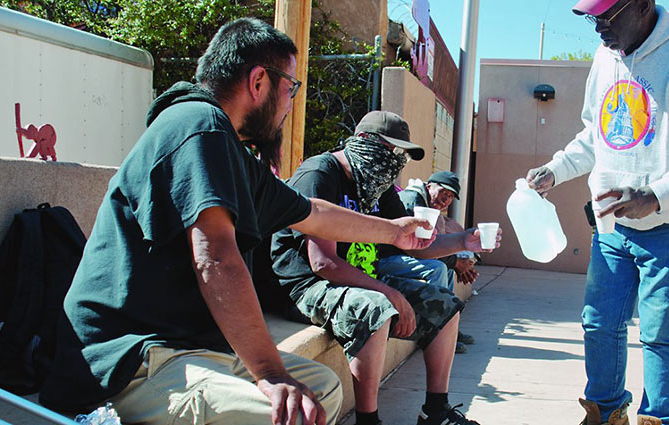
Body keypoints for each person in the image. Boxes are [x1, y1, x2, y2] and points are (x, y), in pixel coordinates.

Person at [39, 18, 435, 425]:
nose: (290, 102)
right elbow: (217, 259)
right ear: (258, 81)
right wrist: (271, 374)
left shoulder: (228, 151)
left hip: (191, 347)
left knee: (323, 388)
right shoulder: (198, 126)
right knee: (293, 412)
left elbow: (312, 213)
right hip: (130, 359)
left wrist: (394, 231)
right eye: (290, 88)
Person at [525, 1, 669, 424]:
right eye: (592, 18)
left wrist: (656, 194)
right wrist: (556, 169)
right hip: (612, 227)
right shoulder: (606, 57)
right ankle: (604, 413)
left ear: (641, 5)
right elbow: (596, 135)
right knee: (599, 324)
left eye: (607, 16)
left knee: (660, 333)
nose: (598, 27)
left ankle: (658, 419)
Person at [271, 111, 499, 425]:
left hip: (358, 278)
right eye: (391, 151)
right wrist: (388, 292)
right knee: (376, 307)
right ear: (364, 141)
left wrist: (464, 240)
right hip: (308, 285)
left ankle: (435, 412)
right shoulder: (320, 174)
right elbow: (322, 263)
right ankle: (368, 421)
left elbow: (414, 246)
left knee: (445, 306)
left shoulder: (376, 186)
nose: (396, 161)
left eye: (401, 154)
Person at [377, 171, 479, 353]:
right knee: (437, 268)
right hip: (383, 258)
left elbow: (428, 245)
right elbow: (415, 248)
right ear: (428, 186)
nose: (445, 200)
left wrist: (456, 263)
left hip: (402, 256)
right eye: (443, 192)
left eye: (450, 197)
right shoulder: (412, 200)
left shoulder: (427, 206)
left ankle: (448, 327)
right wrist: (455, 262)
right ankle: (435, 332)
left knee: (445, 268)